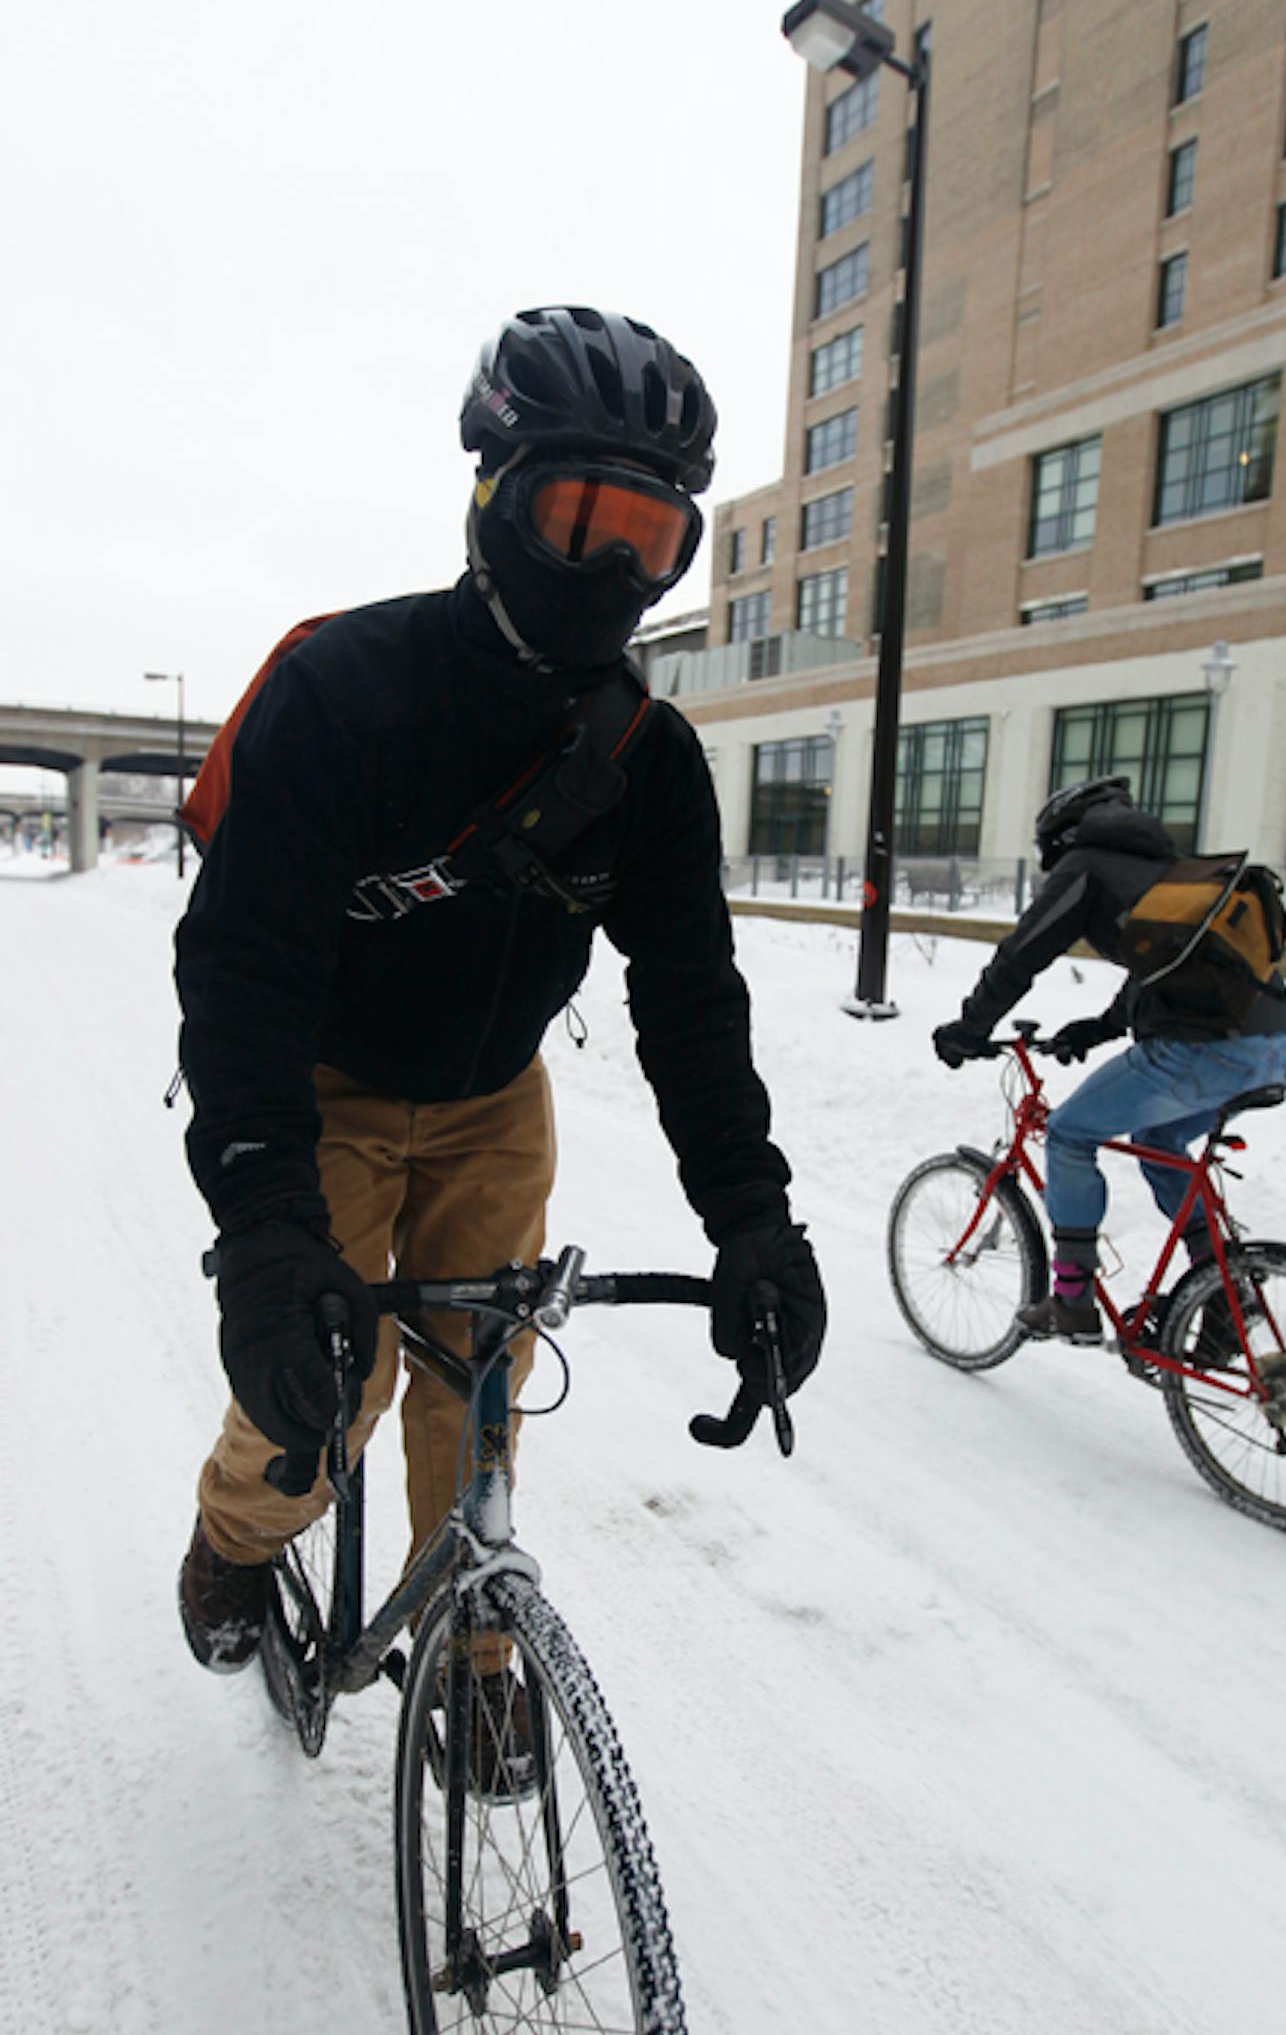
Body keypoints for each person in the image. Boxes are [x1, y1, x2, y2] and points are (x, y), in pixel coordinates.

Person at [175, 306, 827, 1722]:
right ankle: (234, 1538)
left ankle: (474, 1651)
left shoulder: (650, 764)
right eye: (580, 513)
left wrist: (753, 1219)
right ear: (492, 496)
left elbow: (691, 1001)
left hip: (491, 1101)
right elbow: (243, 979)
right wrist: (271, 1233)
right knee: (323, 1403)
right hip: (327, 1083)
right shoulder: (341, 695)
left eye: (651, 539)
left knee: (480, 1383)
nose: (611, 566)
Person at [931, 775, 1286, 1346]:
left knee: (1070, 1134)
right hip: (1276, 1049)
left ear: (1062, 837)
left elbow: (1021, 955)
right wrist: (1100, 1028)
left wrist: (968, 1028)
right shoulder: (1173, 867)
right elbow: (1164, 970)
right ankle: (1224, 1294)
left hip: (1202, 1054)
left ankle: (1072, 1299)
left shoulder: (1087, 866)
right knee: (1159, 1143)